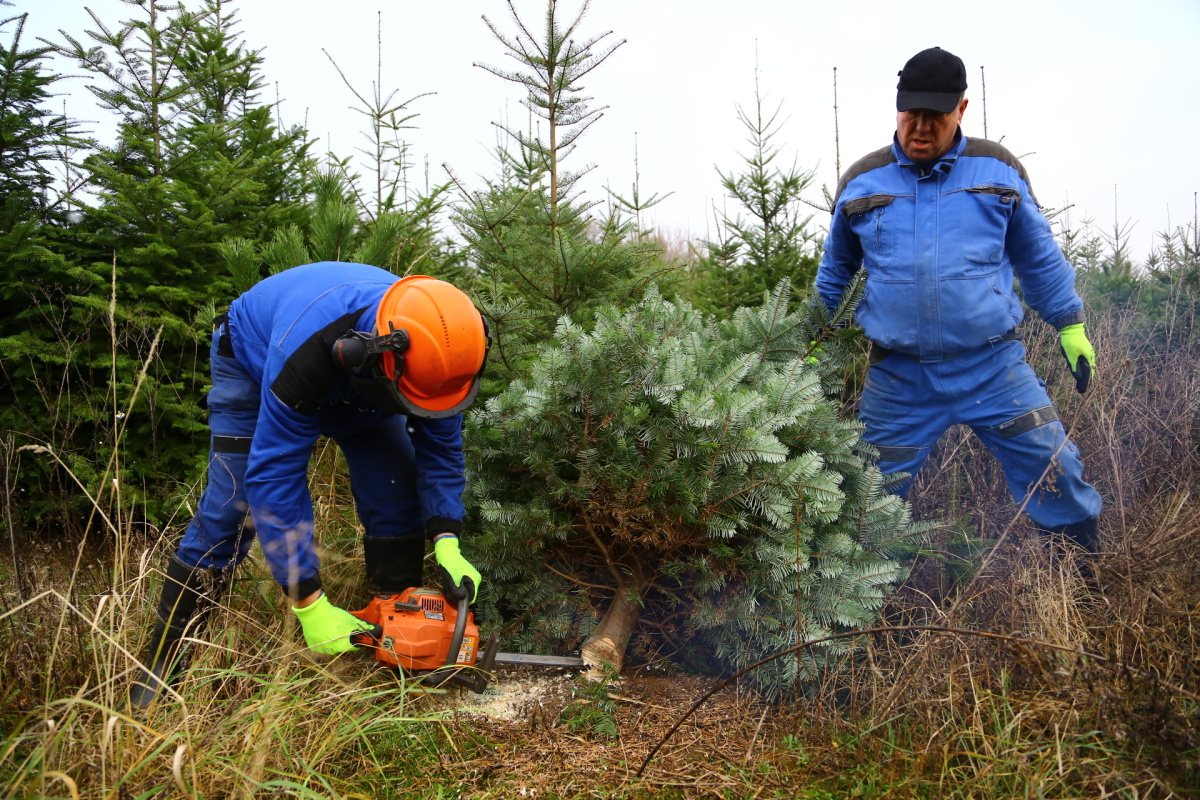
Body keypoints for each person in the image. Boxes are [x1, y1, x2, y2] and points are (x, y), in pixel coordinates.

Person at [131, 262, 487, 707]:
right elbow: (275, 475)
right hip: (257, 358)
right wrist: (309, 602)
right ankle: (163, 668)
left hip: (373, 385)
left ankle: (394, 639)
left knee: (395, 490)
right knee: (232, 507)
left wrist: (447, 539)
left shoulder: (443, 360)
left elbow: (441, 453)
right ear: (380, 356)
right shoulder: (307, 349)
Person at [815, 47, 1102, 553]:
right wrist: (812, 342)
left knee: (1053, 466)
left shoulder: (997, 171)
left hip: (993, 366)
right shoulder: (863, 182)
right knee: (868, 499)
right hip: (899, 377)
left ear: (962, 110)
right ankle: (871, 614)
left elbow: (1038, 258)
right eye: (911, 114)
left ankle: (1081, 584)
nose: (920, 127)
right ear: (897, 108)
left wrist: (1069, 323)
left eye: (936, 116)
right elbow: (835, 273)